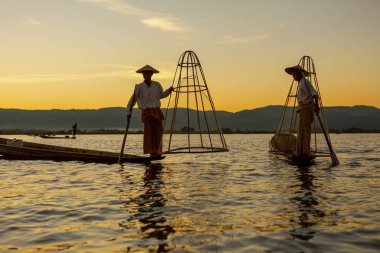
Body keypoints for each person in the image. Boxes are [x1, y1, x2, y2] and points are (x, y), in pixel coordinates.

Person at [126, 65, 174, 158]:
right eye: (145, 73)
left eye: (148, 73)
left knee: (158, 132)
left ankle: (157, 152)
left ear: (152, 74)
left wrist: (169, 90)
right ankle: (151, 153)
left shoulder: (157, 85)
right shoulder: (138, 87)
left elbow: (162, 95)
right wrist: (128, 112)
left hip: (156, 111)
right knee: (149, 133)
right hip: (147, 112)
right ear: (143, 75)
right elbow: (132, 100)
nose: (147, 75)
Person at [285, 65, 320, 157]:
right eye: (292, 75)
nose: (293, 76)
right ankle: (300, 150)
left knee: (305, 129)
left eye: (295, 74)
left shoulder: (305, 82)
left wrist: (317, 105)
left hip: (307, 107)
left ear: (300, 74)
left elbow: (315, 94)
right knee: (301, 130)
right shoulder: (300, 83)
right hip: (302, 108)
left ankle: (305, 151)